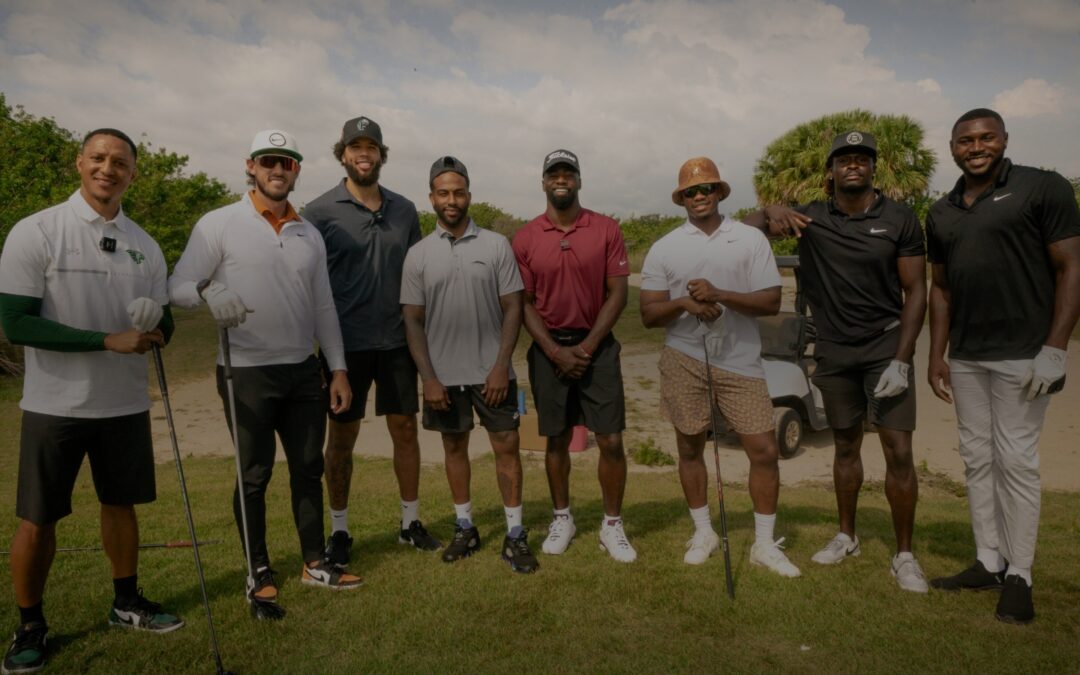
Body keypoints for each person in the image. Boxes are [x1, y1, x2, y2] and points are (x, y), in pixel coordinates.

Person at [0, 129, 184, 674]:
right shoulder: (37, 230)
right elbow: (16, 323)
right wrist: (106, 340)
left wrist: (157, 325)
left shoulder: (145, 244)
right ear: (79, 162)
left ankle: (125, 602)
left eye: (120, 162)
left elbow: (165, 323)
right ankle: (30, 625)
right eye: (99, 158)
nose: (109, 169)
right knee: (38, 519)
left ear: (133, 173)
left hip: (123, 403)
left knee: (121, 506)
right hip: (54, 405)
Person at [168, 130, 361, 610]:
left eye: (288, 162)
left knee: (308, 468)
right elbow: (177, 286)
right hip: (246, 371)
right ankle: (257, 571)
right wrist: (207, 290)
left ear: (297, 171)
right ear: (250, 165)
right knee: (254, 475)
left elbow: (323, 307)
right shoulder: (219, 223)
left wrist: (338, 369)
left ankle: (314, 562)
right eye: (269, 160)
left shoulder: (308, 232)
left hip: (302, 371)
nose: (278, 169)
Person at [745, 131, 928, 592]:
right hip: (833, 348)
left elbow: (916, 292)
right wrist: (770, 211)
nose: (853, 165)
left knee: (898, 450)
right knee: (845, 445)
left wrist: (902, 359)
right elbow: (743, 231)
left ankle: (905, 554)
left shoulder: (900, 218)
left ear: (873, 168)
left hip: (885, 347)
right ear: (831, 170)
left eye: (862, 158)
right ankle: (847, 536)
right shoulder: (810, 217)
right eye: (844, 159)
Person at [925, 109, 1080, 623]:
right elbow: (941, 289)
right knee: (976, 458)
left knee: (1016, 461)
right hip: (968, 356)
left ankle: (1020, 574)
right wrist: (937, 354)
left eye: (986, 137)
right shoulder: (942, 211)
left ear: (1004, 139)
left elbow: (1072, 266)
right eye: (965, 140)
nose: (976, 147)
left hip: (1025, 352)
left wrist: (1056, 347)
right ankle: (989, 560)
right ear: (952, 147)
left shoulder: (1042, 187)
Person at [639, 157, 799, 576]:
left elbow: (771, 302)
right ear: (681, 198)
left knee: (764, 450)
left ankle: (763, 544)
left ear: (719, 192)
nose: (699, 196)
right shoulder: (665, 247)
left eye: (706, 188)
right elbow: (649, 315)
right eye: (690, 191)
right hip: (684, 358)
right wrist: (684, 303)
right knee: (690, 447)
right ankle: (703, 532)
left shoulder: (749, 239)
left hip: (741, 360)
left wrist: (719, 294)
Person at [304, 116, 437, 567]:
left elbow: (418, 276)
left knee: (406, 431)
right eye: (355, 147)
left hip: (398, 342)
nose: (364, 154)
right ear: (342, 154)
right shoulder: (318, 212)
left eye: (372, 147)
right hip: (344, 347)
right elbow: (308, 282)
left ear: (381, 154)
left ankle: (410, 523)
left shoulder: (404, 209)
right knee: (342, 438)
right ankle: (340, 530)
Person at [401, 156, 538, 573]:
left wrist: (500, 365)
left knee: (507, 447)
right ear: (431, 198)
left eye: (458, 192)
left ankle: (515, 534)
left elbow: (513, 307)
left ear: (469, 196)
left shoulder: (496, 245)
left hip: (492, 374)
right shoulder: (418, 254)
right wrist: (428, 378)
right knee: (454, 447)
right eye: (443, 193)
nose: (451, 200)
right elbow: (412, 320)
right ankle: (465, 527)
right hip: (443, 378)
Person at [511, 149, 637, 563]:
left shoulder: (605, 228)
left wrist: (585, 348)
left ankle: (612, 525)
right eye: (554, 174)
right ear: (543, 182)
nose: (561, 179)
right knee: (556, 438)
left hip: (596, 346)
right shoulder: (526, 237)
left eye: (568, 173)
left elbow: (618, 293)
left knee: (611, 439)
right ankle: (562, 518)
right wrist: (554, 350)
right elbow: (524, 302)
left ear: (579, 180)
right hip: (549, 349)